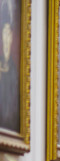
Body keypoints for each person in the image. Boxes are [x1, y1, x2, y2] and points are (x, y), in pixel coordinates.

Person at [0, 0, 19, 132]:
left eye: (9, 34)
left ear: (12, 37)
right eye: (4, 33)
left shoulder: (15, 72)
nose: (6, 39)